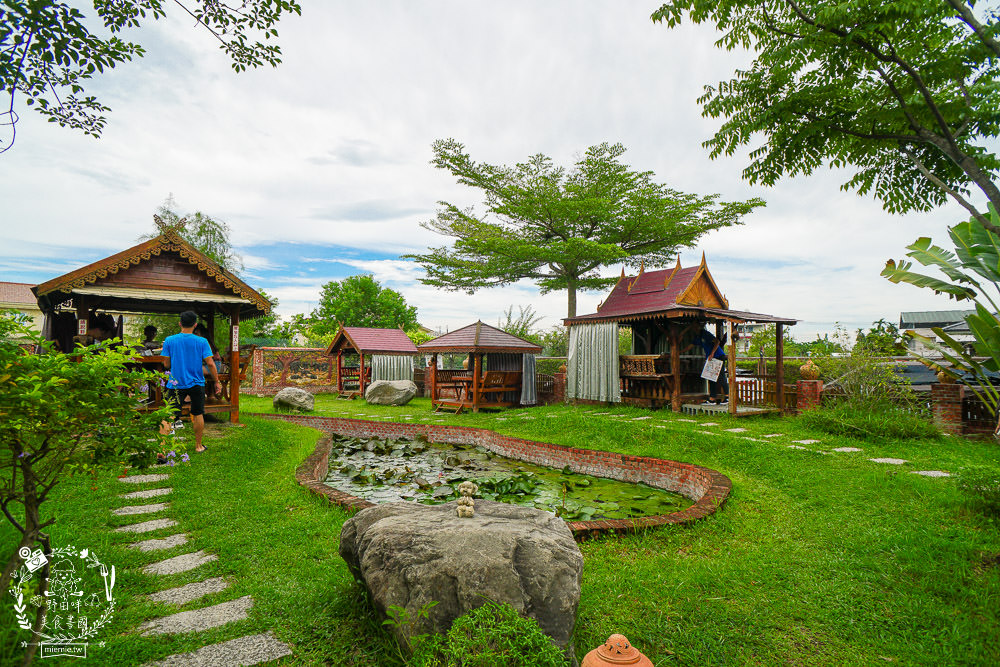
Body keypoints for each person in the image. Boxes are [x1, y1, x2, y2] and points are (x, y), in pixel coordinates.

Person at [159, 311, 221, 453]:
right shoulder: (202, 341)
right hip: (197, 383)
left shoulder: (169, 340)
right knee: (198, 413)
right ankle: (198, 446)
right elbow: (211, 364)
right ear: (195, 324)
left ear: (180, 323)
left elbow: (166, 364)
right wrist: (216, 382)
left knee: (168, 415)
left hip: (175, 384)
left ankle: (161, 450)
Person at [695, 327, 728, 405]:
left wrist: (712, 353)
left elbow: (717, 342)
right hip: (711, 358)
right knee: (711, 377)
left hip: (718, 356)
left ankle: (727, 396)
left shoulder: (706, 334)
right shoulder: (698, 337)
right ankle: (712, 398)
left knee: (720, 375)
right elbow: (691, 345)